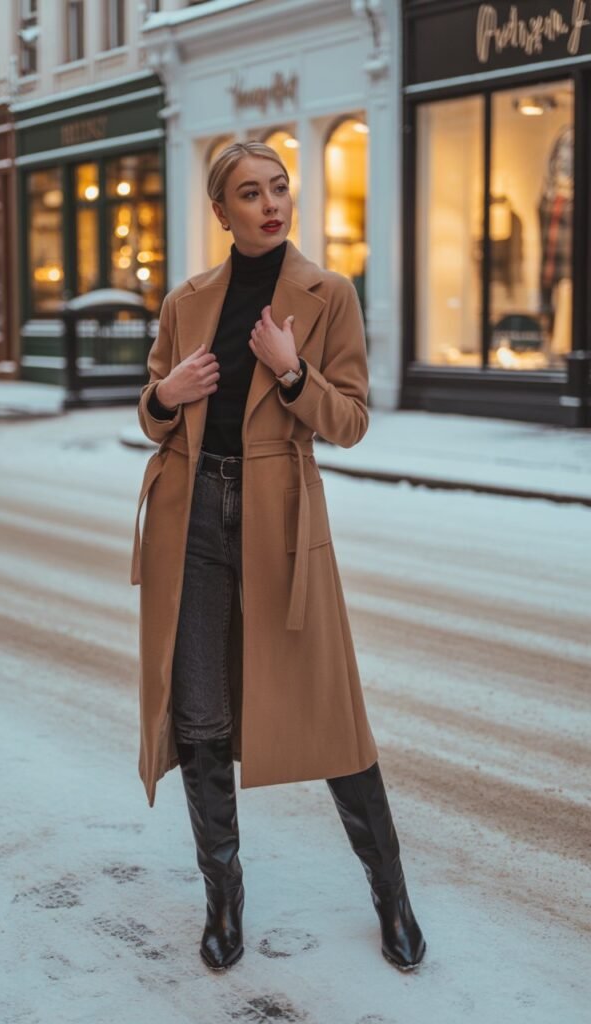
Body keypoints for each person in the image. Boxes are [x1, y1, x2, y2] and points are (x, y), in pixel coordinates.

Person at [131, 141, 426, 974]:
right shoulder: (186, 301)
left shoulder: (326, 295)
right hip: (192, 519)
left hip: (282, 520)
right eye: (249, 193)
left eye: (280, 188)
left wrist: (293, 375)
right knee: (199, 716)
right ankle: (223, 900)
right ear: (220, 212)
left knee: (330, 718)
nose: (271, 204)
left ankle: (391, 893)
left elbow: (353, 420)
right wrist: (167, 395)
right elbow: (153, 410)